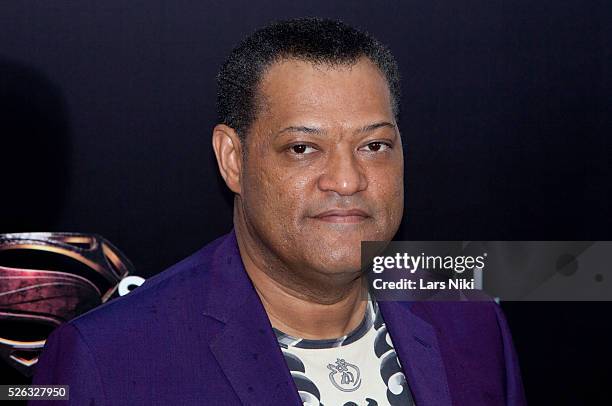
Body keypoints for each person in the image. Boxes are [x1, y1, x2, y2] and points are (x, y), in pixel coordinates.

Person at [31, 18, 526, 405]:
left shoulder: (469, 320)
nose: (348, 180)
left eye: (374, 145)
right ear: (233, 159)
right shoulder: (108, 359)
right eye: (302, 149)